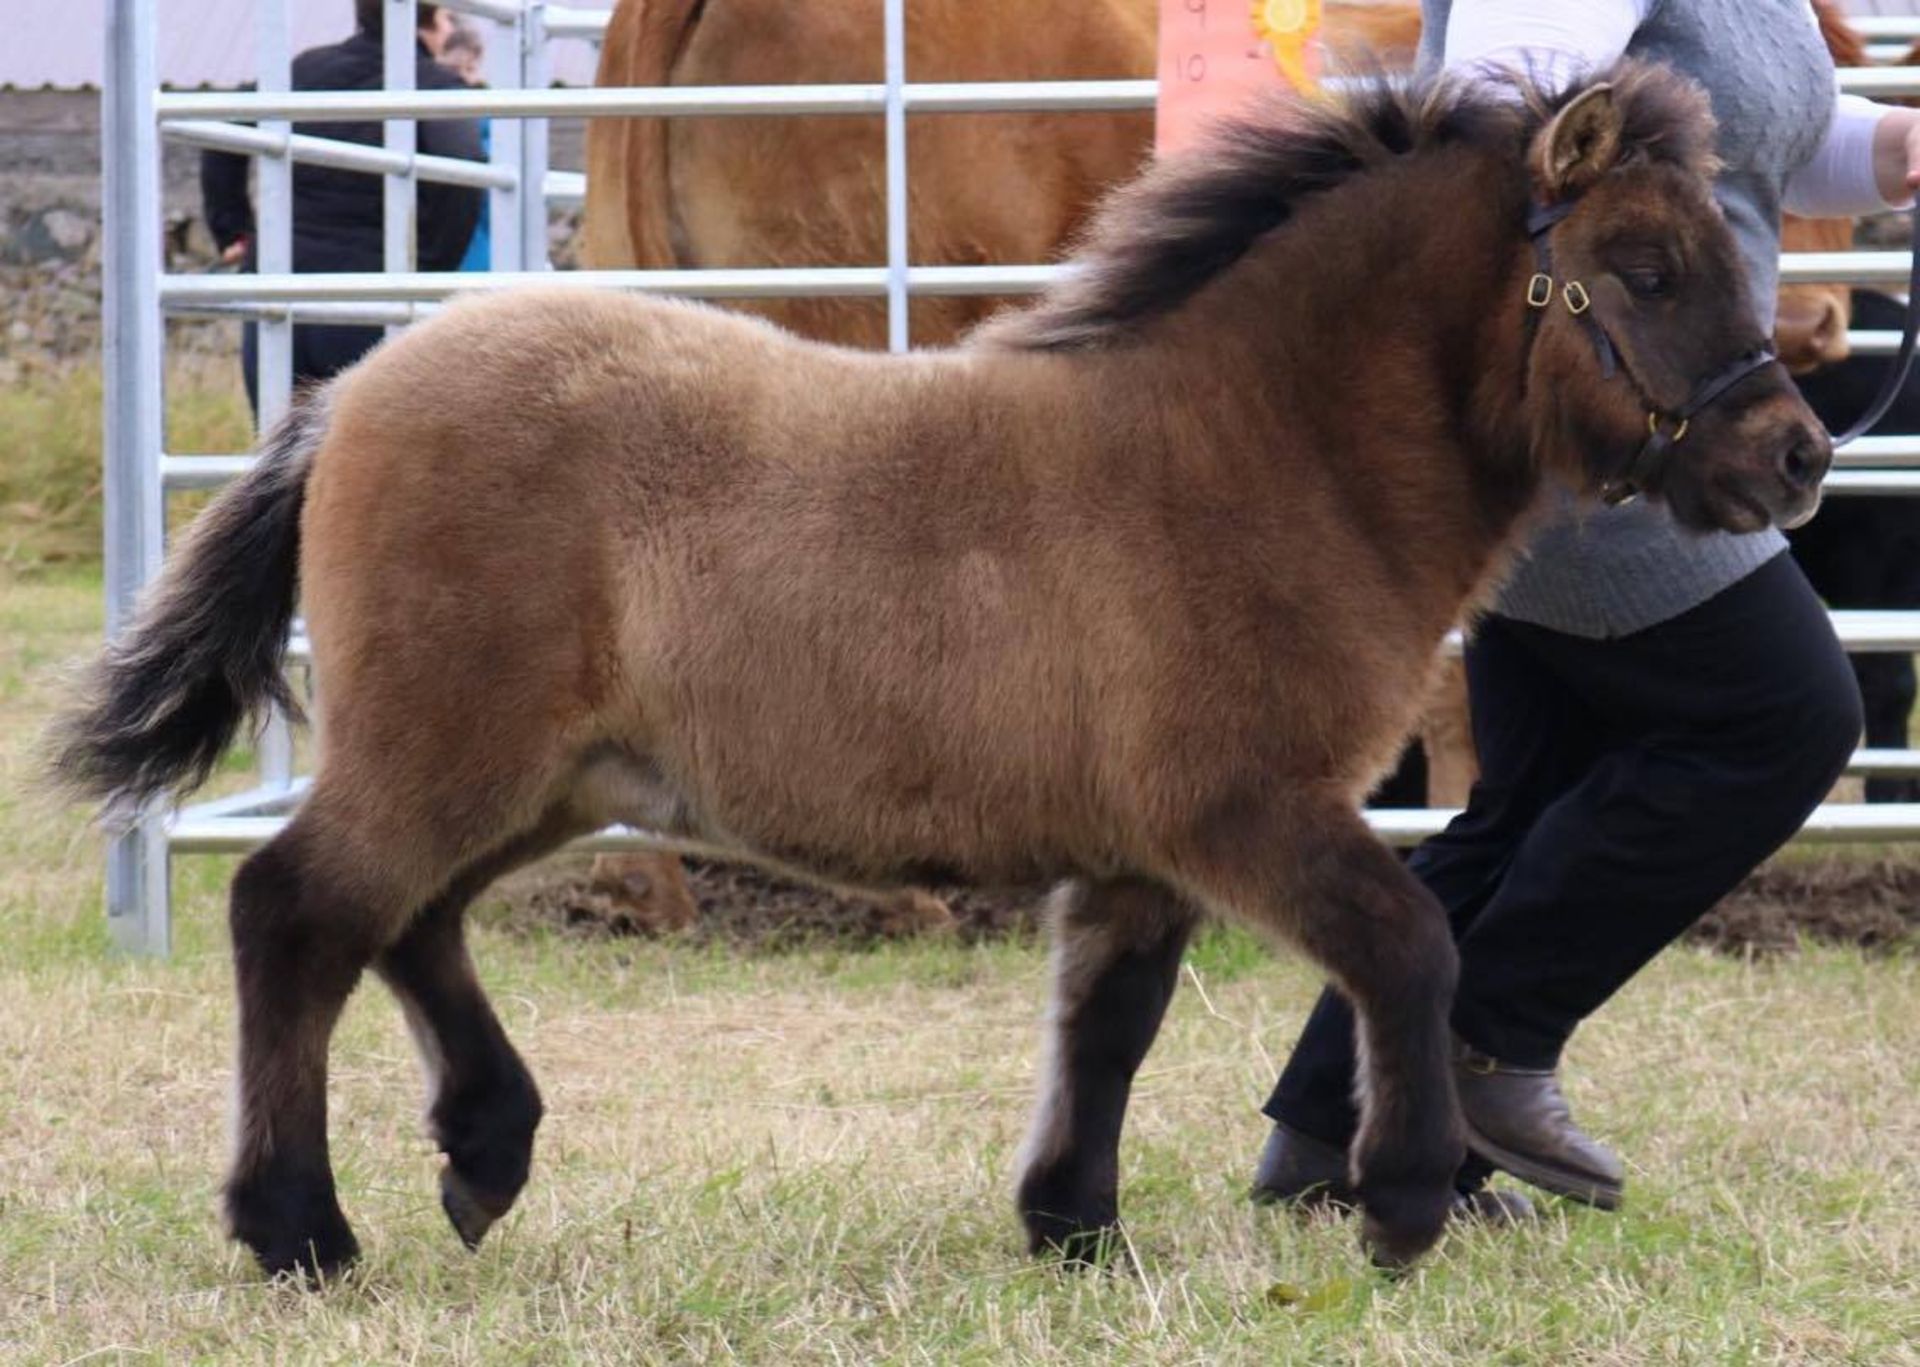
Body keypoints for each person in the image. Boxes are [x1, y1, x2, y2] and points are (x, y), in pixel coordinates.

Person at [1251, 0, 1920, 1221]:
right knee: (1783, 719)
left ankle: (1333, 1138)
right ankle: (1480, 1047)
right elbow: (1494, 143)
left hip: (1670, 412)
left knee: (1536, 788)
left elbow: (1764, 129)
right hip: (1608, 429)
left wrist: (1893, 152)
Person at [200, 1, 484, 413]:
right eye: (444, 18)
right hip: (372, 294)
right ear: (428, 23)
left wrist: (233, 230)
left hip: (283, 286)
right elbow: (462, 173)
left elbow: (224, 126)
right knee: (371, 461)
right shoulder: (431, 84)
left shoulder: (302, 71)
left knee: (280, 456)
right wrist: (433, 266)